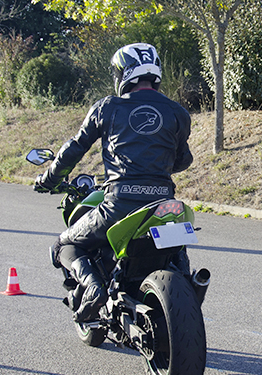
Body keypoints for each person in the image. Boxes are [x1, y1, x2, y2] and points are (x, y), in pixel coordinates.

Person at [34, 43, 193, 322]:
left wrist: (49, 178)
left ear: (123, 73)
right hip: (165, 206)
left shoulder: (108, 107)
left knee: (63, 245)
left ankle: (94, 287)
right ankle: (192, 287)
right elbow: (183, 160)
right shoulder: (177, 112)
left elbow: (74, 148)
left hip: (119, 205)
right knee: (177, 248)